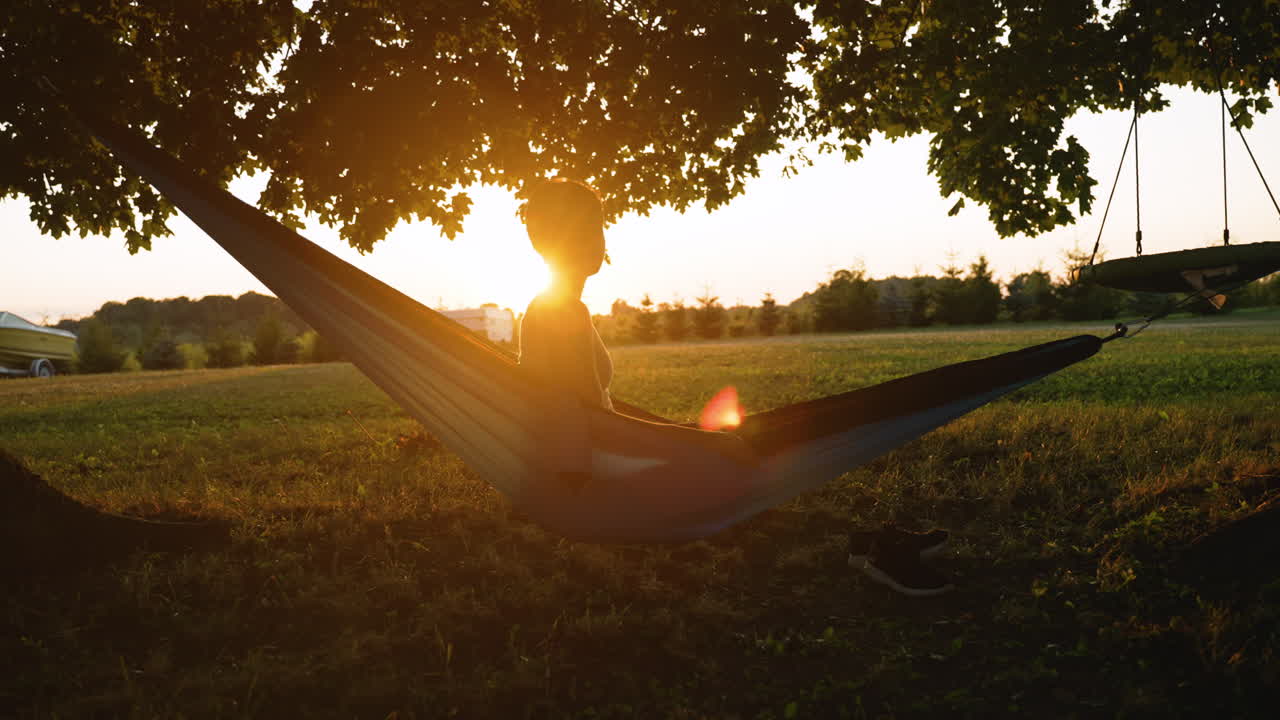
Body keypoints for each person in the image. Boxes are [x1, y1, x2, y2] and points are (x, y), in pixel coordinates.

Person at [517, 178, 614, 410]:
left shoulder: (550, 306)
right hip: (593, 444)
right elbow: (592, 414)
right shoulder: (564, 311)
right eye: (592, 229)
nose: (601, 240)